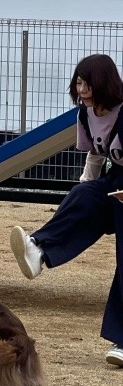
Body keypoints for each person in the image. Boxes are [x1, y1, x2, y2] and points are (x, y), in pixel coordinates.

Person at [10, 53, 123, 367]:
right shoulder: (85, 116)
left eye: (87, 82)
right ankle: (38, 251)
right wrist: (85, 191)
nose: (81, 88)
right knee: (84, 193)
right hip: (115, 182)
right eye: (78, 81)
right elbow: (96, 160)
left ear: (104, 83)